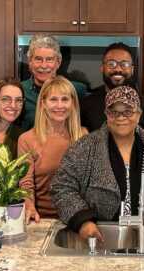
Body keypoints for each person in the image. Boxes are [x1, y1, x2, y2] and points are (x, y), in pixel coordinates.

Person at [51, 86, 144, 241]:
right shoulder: (85, 146)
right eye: (114, 112)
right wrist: (83, 221)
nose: (121, 117)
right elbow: (61, 187)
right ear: (106, 114)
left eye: (128, 111)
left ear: (139, 114)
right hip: (101, 234)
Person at [18, 76, 88, 220]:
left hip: (78, 218)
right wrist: (29, 207)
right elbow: (26, 183)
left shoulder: (83, 135)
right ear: (43, 103)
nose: (59, 106)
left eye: (65, 99)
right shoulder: (27, 139)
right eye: (53, 99)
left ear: (73, 103)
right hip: (42, 218)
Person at [80, 42, 144, 131]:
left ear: (132, 69)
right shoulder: (85, 106)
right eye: (111, 64)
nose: (118, 69)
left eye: (124, 64)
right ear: (102, 68)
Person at [21, 34, 87, 130]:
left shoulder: (77, 90)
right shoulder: (20, 91)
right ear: (30, 62)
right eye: (38, 59)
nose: (44, 65)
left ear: (58, 62)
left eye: (49, 59)